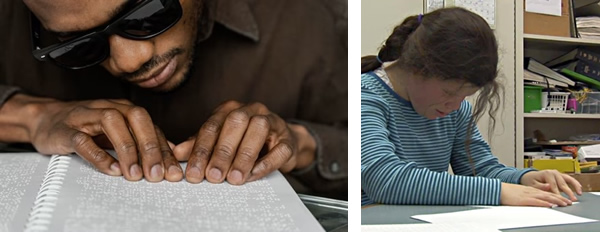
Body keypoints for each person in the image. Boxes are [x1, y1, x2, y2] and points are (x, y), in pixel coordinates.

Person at [0, 0, 347, 199]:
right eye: (74, 44)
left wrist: (301, 145)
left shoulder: (321, 22)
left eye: (145, 15)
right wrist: (31, 117)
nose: (128, 61)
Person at [361, 7, 581, 206]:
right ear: (416, 68)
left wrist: (523, 178)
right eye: (449, 92)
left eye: (466, 95)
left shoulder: (453, 110)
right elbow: (384, 179)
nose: (456, 105)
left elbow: (480, 170)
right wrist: (498, 191)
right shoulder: (364, 96)